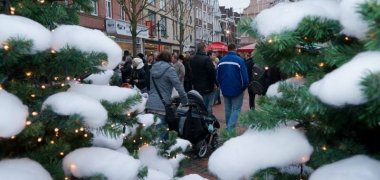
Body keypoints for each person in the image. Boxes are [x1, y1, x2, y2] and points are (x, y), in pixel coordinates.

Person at [146, 51, 188, 128]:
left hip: (150, 103)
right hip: (163, 105)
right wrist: (185, 101)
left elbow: (150, 85)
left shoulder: (152, 68)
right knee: (162, 133)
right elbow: (178, 87)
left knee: (152, 133)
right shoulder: (170, 69)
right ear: (169, 58)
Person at [217, 44, 248, 131]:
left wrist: (221, 85)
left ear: (228, 49)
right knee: (236, 109)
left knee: (228, 109)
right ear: (235, 49)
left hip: (225, 89)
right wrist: (243, 87)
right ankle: (229, 128)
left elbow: (218, 76)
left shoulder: (221, 60)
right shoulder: (239, 60)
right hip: (237, 89)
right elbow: (244, 77)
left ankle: (228, 126)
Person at [190, 42, 218, 116]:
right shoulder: (206, 59)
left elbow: (191, 72)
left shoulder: (192, 58)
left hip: (196, 86)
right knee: (207, 106)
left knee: (199, 104)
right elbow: (212, 73)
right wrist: (215, 84)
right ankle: (207, 122)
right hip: (207, 87)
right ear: (204, 48)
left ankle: (200, 121)